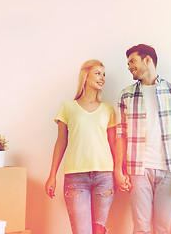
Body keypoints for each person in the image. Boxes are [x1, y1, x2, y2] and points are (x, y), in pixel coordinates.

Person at [114, 44, 171, 234]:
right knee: (141, 229)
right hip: (138, 170)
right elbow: (121, 135)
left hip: (170, 170)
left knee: (163, 229)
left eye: (132, 61)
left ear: (147, 60)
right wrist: (118, 169)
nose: (129, 67)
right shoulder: (126, 95)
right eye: (128, 63)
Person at [45, 59, 116, 234]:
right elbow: (61, 141)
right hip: (75, 178)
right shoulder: (68, 107)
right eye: (98, 73)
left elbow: (113, 143)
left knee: (99, 231)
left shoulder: (108, 110)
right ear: (85, 75)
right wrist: (52, 175)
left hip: (104, 177)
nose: (102, 78)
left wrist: (120, 172)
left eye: (104, 74)